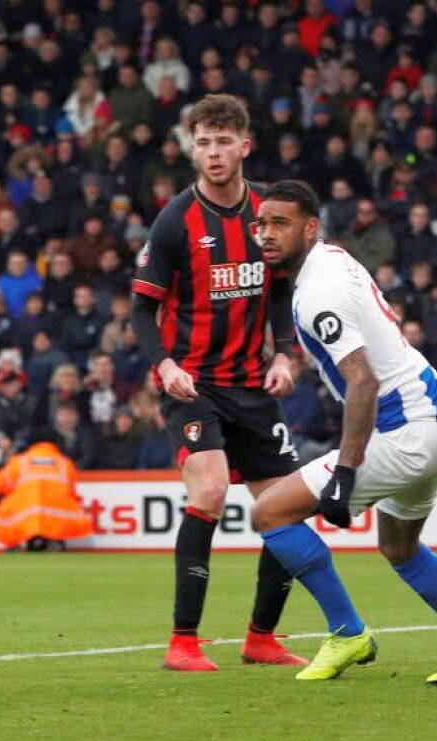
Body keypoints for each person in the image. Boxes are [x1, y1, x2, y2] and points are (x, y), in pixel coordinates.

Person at [251, 180, 437, 683]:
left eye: (280, 224)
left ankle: (347, 632)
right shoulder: (335, 258)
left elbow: (363, 380)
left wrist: (347, 472)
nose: (266, 234)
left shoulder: (317, 294)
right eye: (261, 224)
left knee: (270, 512)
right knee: (400, 547)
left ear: (310, 228)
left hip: (404, 431)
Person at [129, 94, 306, 671]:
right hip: (194, 383)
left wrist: (286, 354)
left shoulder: (266, 212)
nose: (213, 152)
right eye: (203, 142)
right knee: (207, 491)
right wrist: (166, 366)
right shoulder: (175, 219)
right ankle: (183, 641)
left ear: (243, 146)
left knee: (283, 508)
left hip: (254, 385)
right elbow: (140, 309)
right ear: (192, 149)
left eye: (223, 142)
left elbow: (280, 291)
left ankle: (260, 638)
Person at [0, 427, 93, 552]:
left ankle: (17, 543)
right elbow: (72, 492)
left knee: (9, 503)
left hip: (25, 518)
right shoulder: (65, 463)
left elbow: (1, 488)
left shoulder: (19, 462)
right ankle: (54, 541)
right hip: (58, 519)